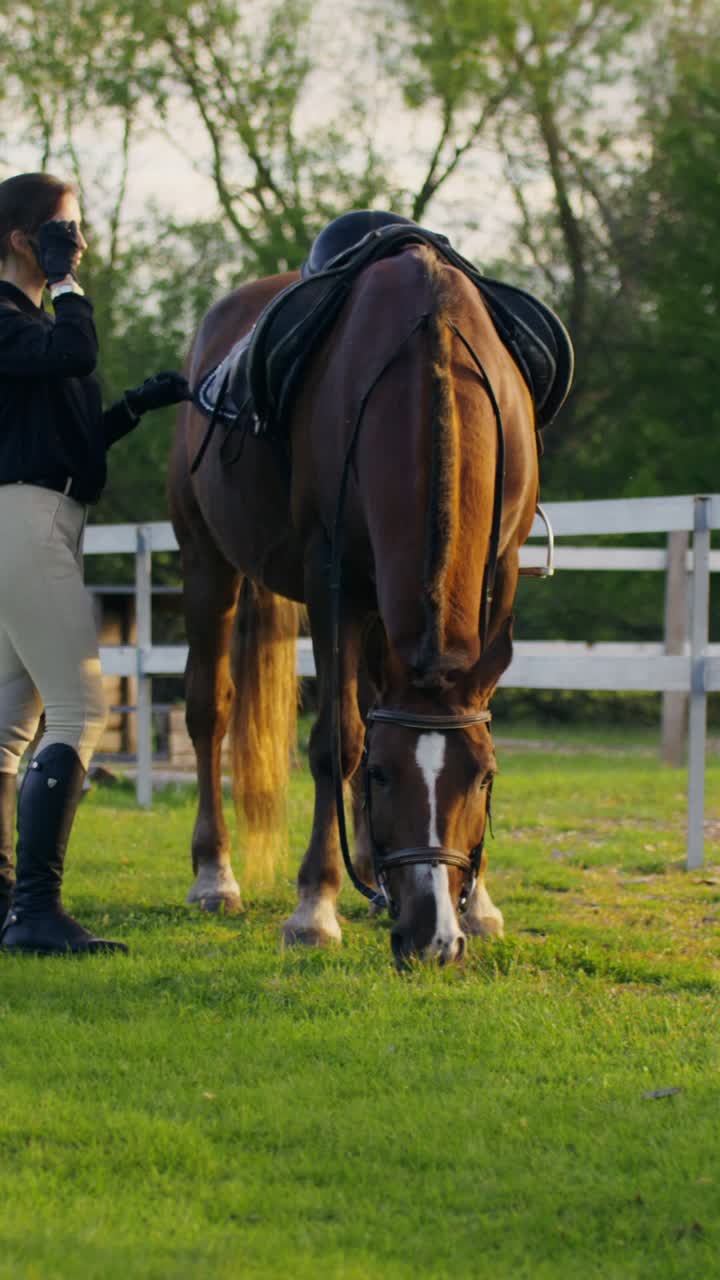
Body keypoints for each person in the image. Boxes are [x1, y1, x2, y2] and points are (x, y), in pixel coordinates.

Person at [0, 171, 191, 955]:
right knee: (80, 709)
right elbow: (75, 351)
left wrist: (135, 407)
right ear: (25, 240)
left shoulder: (28, 327)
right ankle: (37, 914)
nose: (78, 243)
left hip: (37, 511)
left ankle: (7, 904)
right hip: (25, 517)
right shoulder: (12, 318)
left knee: (9, 723)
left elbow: (63, 434)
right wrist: (70, 280)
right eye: (66, 230)